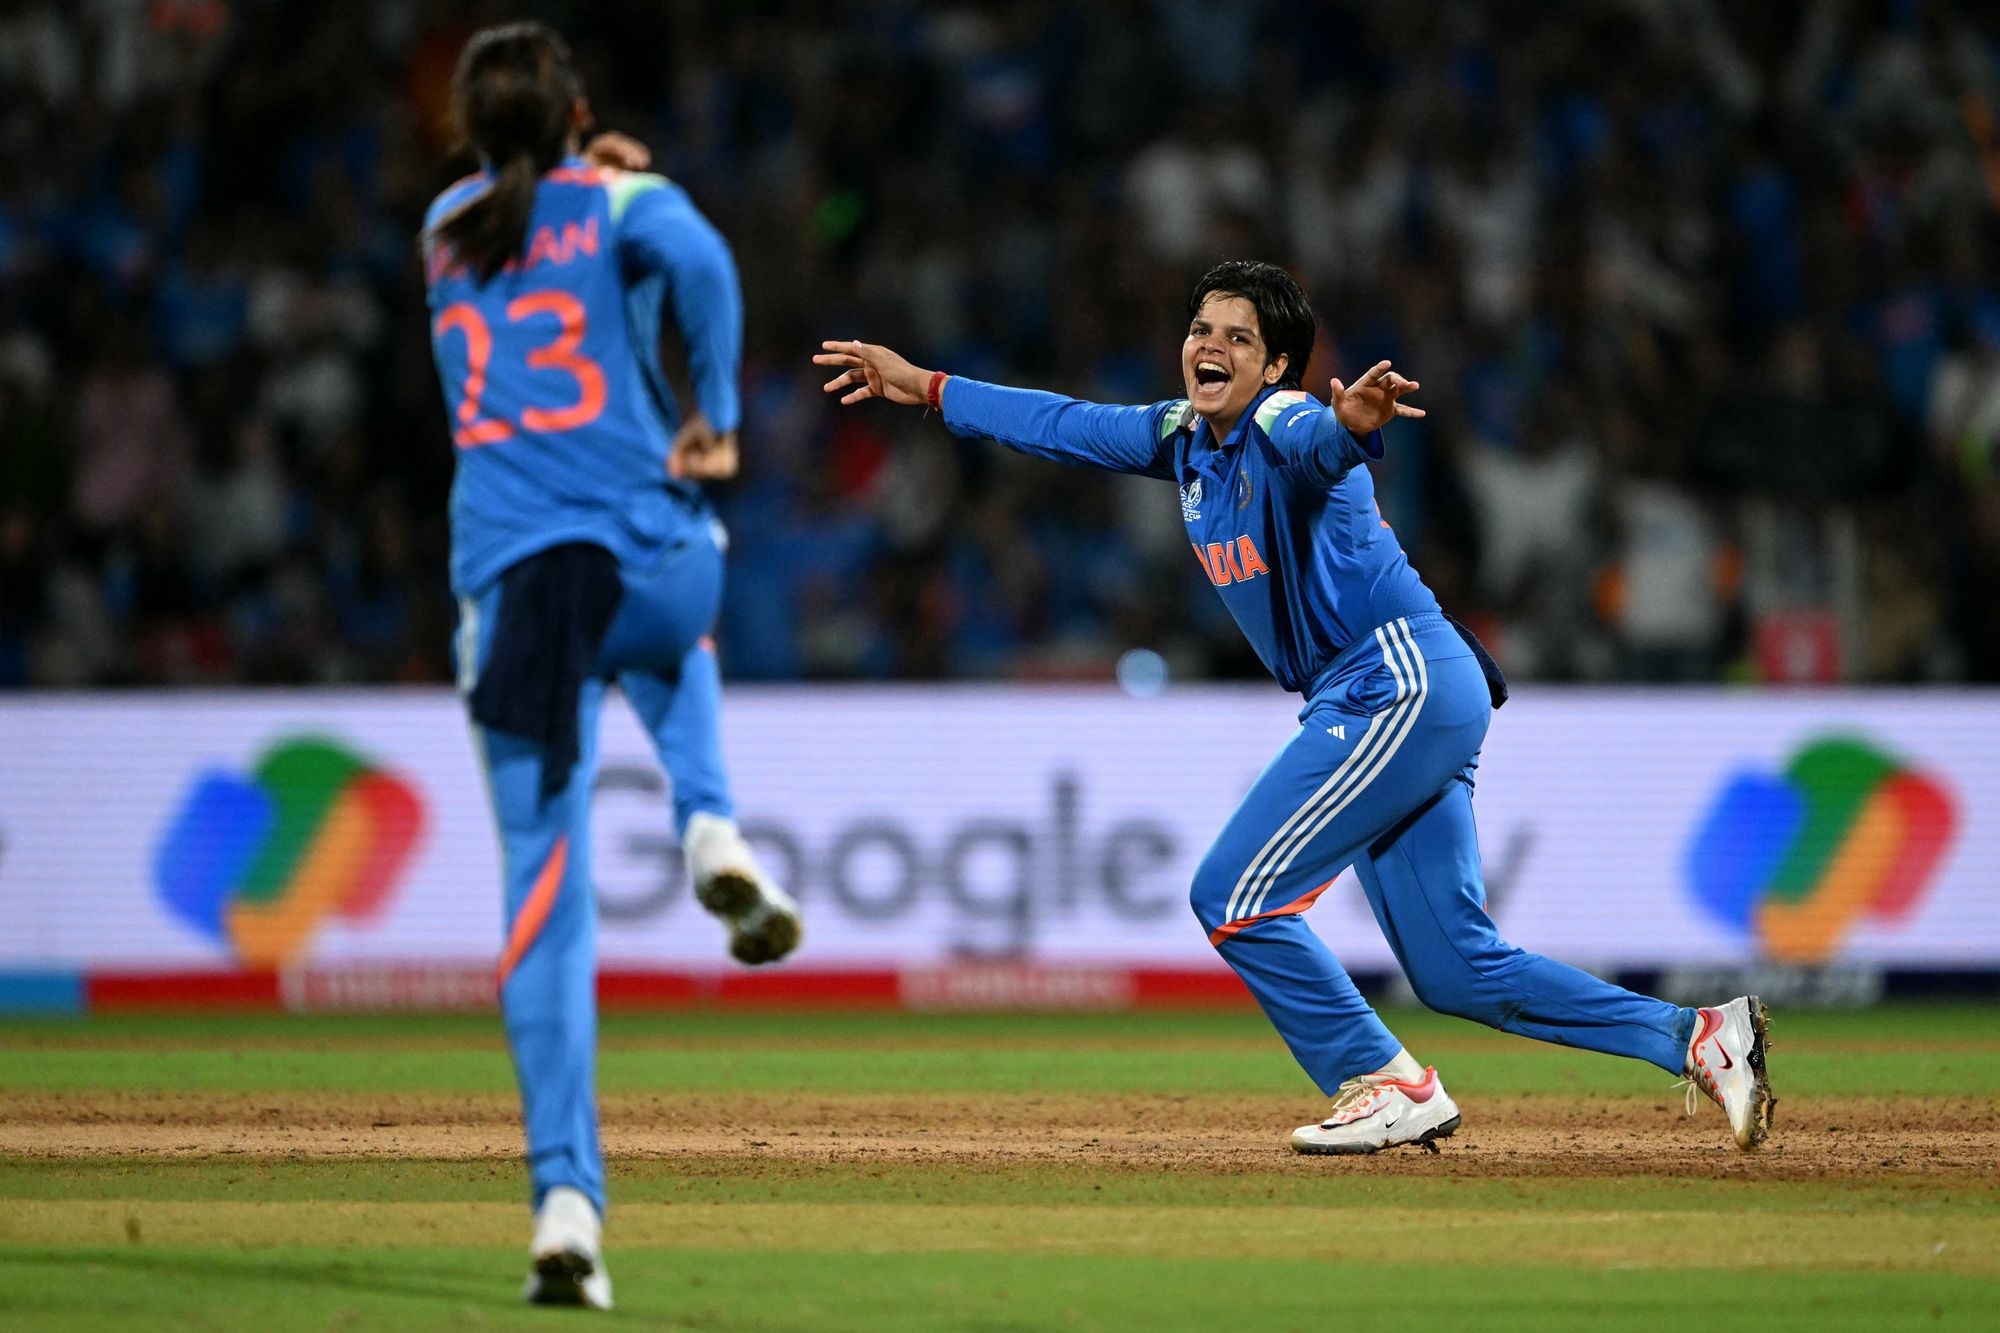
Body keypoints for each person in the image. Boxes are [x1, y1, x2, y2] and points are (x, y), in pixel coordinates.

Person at [814, 260, 1773, 1156]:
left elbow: (1320, 443)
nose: (1210, 346)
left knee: (1231, 894)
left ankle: (1380, 1079)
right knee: (1455, 969)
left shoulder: (1279, 423)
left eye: (1239, 336)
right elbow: (1060, 421)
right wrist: (929, 387)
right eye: (1200, 328)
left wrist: (1351, 423)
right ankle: (1699, 1036)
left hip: (1392, 679)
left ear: (1277, 365)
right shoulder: (1181, 441)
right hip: (1408, 690)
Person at [421, 22, 801, 1310]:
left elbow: (540, 230)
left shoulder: (443, 229)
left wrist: (587, 173)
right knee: (675, 619)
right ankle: (708, 819)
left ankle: (566, 1206)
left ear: (470, 130)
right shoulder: (624, 200)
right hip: (655, 563)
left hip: (521, 590)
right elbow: (696, 261)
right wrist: (721, 422)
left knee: (546, 904)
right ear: (580, 113)